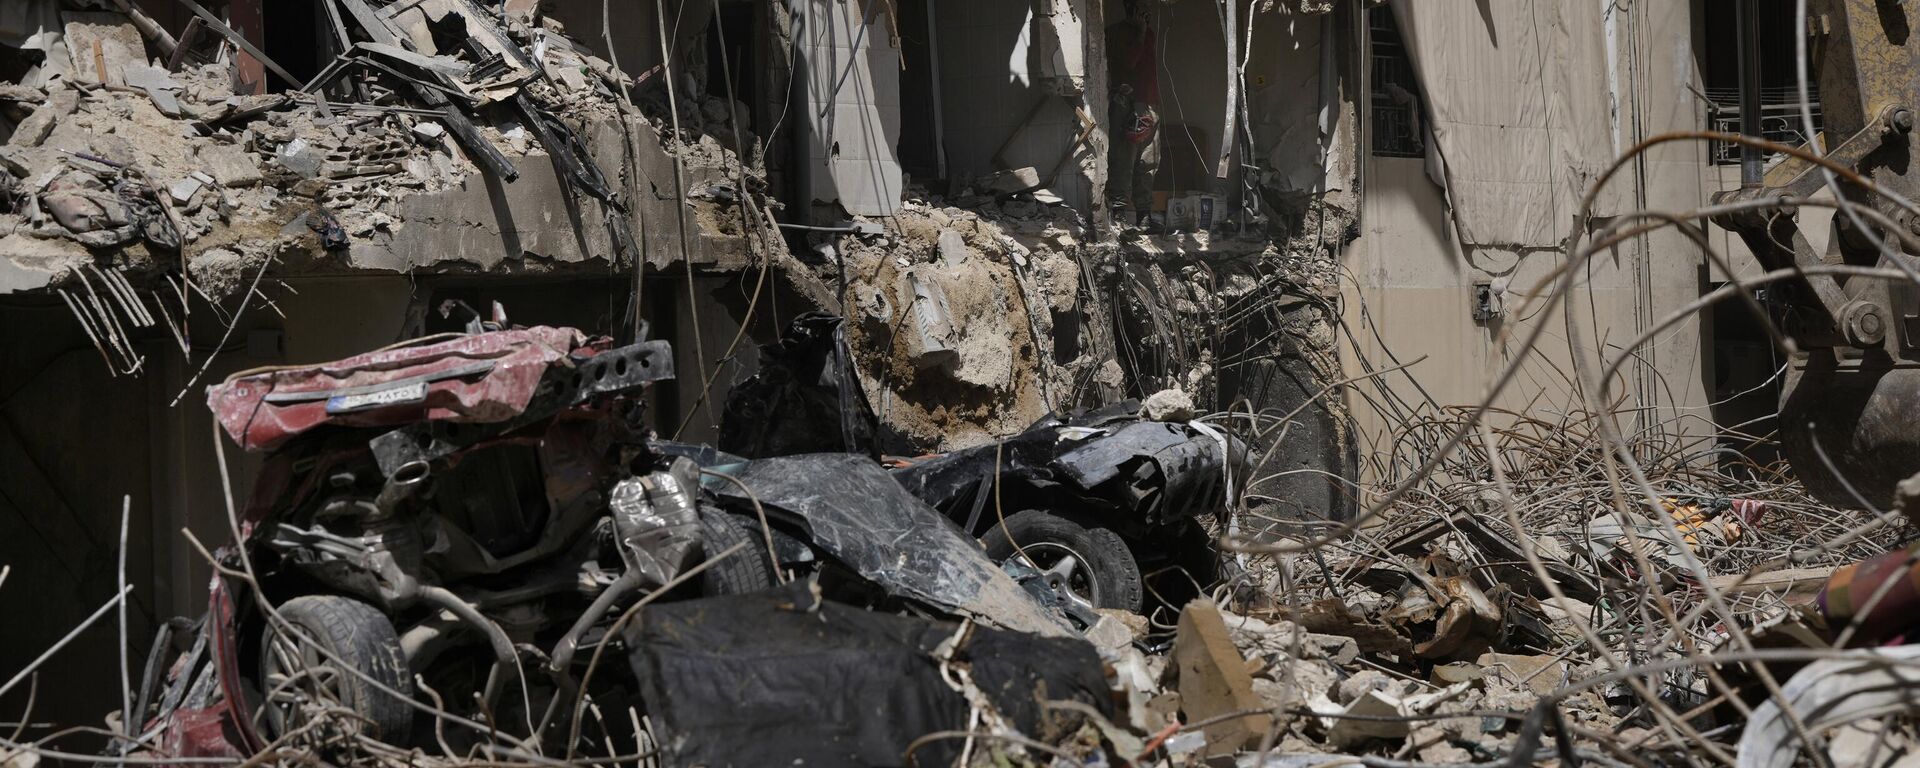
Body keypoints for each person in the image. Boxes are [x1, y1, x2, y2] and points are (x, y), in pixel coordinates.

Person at [1107, 0, 1159, 221]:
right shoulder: (1116, 32)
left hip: (1149, 103)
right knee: (1124, 159)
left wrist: (1144, 31)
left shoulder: (1149, 33)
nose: (1147, 11)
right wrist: (1139, 32)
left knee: (1149, 159)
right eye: (1142, 7)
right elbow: (1129, 62)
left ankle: (1144, 214)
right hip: (1127, 102)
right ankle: (1118, 213)